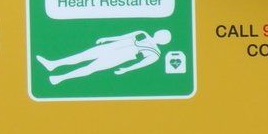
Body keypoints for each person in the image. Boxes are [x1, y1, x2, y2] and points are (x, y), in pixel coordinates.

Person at [36, 28, 172, 84]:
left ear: (163, 41)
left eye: (163, 35)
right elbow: (123, 36)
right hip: (111, 46)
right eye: (161, 32)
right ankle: (53, 64)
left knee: (91, 68)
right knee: (82, 56)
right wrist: (107, 39)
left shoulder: (155, 53)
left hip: (121, 56)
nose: (160, 34)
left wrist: (126, 69)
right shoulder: (142, 33)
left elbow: (141, 64)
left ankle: (59, 78)